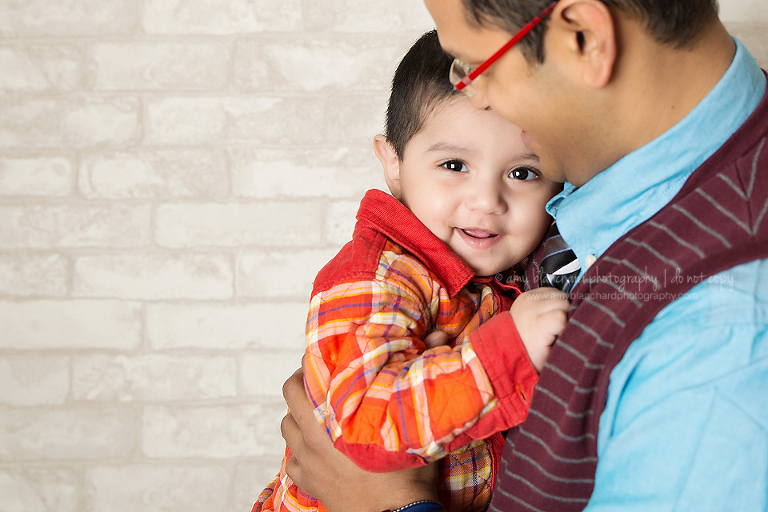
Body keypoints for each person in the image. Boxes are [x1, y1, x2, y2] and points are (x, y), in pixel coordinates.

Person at [279, 0, 768, 511]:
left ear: (582, 37)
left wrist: (392, 506)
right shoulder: (594, 176)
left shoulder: (721, 338)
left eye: (473, 64)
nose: (476, 98)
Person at [254, 30, 567, 512]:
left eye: (522, 173)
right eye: (454, 164)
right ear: (394, 164)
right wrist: (510, 352)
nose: (486, 201)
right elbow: (365, 425)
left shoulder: (514, 273)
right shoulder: (376, 279)